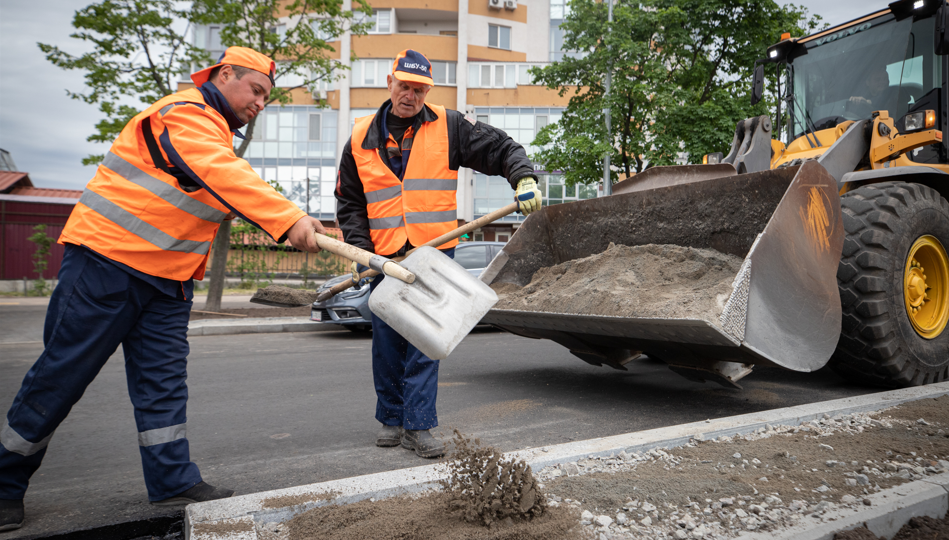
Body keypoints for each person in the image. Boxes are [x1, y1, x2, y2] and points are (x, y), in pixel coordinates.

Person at [0, 47, 327, 532]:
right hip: (108, 263)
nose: (260, 103)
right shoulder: (185, 114)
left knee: (163, 386)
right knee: (61, 376)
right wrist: (289, 218)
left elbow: (215, 188)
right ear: (225, 73)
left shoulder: (214, 134)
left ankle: (171, 478)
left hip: (167, 281)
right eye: (255, 90)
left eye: (266, 97)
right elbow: (223, 175)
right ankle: (4, 485)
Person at [335, 49, 542, 459]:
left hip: (433, 253)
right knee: (387, 342)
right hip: (386, 256)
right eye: (404, 86)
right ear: (389, 82)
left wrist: (524, 178)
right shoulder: (360, 136)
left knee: (426, 339)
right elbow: (349, 202)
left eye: (420, 89)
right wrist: (359, 250)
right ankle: (391, 419)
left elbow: (503, 148)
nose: (411, 95)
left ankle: (418, 426)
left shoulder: (449, 126)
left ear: (427, 90)